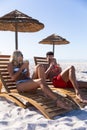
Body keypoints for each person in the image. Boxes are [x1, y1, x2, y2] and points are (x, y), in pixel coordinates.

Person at [8, 50, 72, 110]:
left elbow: (27, 76)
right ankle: (58, 101)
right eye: (21, 55)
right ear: (16, 56)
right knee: (40, 81)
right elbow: (13, 78)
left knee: (40, 66)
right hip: (20, 85)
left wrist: (27, 68)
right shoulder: (10, 64)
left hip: (28, 82)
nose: (22, 56)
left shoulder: (22, 63)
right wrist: (21, 68)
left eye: (22, 55)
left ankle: (45, 91)